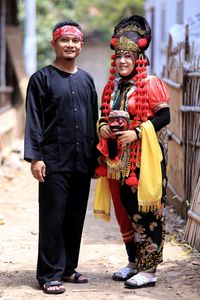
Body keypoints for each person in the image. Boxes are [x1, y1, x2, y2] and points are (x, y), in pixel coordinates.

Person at [94, 15, 170, 289]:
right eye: (119, 56)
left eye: (129, 56)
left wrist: (137, 132)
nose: (123, 61)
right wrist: (102, 126)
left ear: (139, 58)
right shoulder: (112, 88)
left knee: (147, 214)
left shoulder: (150, 83)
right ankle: (133, 263)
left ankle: (149, 271)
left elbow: (165, 117)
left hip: (145, 162)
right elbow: (104, 115)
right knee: (125, 212)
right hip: (117, 161)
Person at [24, 19, 98, 294]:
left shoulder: (87, 80)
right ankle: (48, 274)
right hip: (53, 160)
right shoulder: (41, 79)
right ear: (54, 43)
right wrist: (35, 157)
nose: (70, 45)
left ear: (81, 45)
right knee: (53, 217)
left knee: (75, 215)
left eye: (75, 40)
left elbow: (93, 119)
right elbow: (34, 120)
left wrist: (96, 158)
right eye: (64, 40)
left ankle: (67, 268)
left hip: (82, 159)